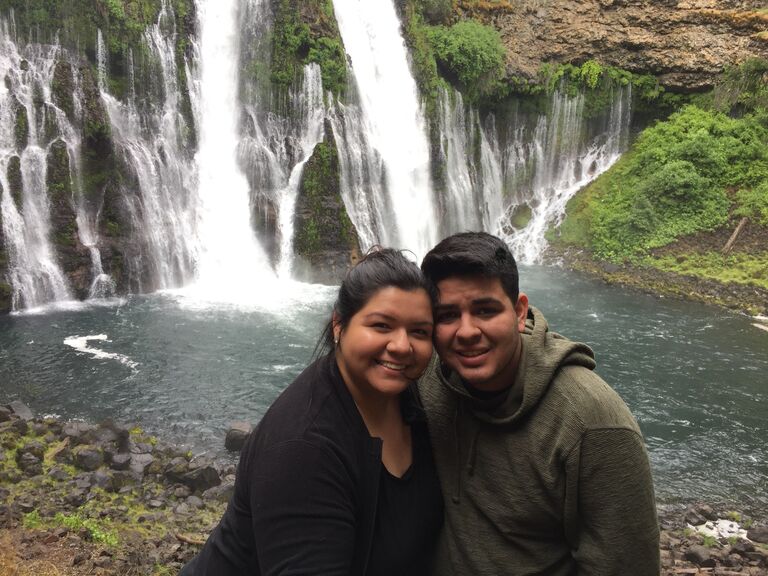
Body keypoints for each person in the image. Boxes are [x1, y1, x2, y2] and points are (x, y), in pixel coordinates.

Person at [180, 248, 443, 576]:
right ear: (339, 325)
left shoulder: (407, 395)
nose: (402, 345)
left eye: (420, 331)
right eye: (381, 325)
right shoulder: (304, 449)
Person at [418, 231, 659, 575]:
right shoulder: (428, 377)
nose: (467, 331)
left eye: (485, 310)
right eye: (447, 315)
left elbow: (627, 565)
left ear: (519, 312)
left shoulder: (594, 424)